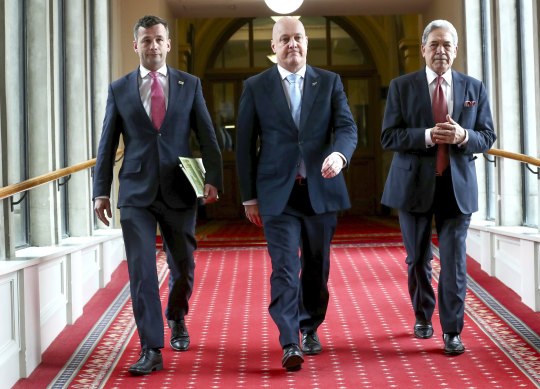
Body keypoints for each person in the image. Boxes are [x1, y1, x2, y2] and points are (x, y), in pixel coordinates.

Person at [93, 15, 223, 375]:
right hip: (135, 191)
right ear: (135, 45)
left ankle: (177, 316)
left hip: (179, 188)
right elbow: (107, 144)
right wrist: (100, 191)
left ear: (167, 44)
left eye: (158, 39)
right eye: (145, 40)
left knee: (183, 264)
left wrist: (213, 178)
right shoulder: (119, 89)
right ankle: (151, 347)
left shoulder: (189, 84)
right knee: (142, 270)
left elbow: (207, 135)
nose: (152, 46)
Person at [236, 16, 357, 371]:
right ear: (273, 47)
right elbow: (245, 146)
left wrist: (339, 154)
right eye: (285, 39)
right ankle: (290, 340)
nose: (293, 44)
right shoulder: (256, 86)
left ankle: (310, 325)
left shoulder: (329, 81)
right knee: (286, 268)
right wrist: (249, 197)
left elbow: (347, 128)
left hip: (321, 189)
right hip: (277, 195)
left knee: (317, 269)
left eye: (298, 38)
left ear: (307, 42)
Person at [380, 19, 496, 355]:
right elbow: (389, 136)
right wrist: (427, 135)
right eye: (434, 45)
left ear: (455, 50)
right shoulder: (402, 86)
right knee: (417, 259)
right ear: (423, 50)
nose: (441, 51)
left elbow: (487, 137)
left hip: (456, 186)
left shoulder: (474, 88)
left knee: (455, 261)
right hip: (413, 184)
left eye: (447, 45)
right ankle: (422, 315)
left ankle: (452, 331)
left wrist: (464, 136)